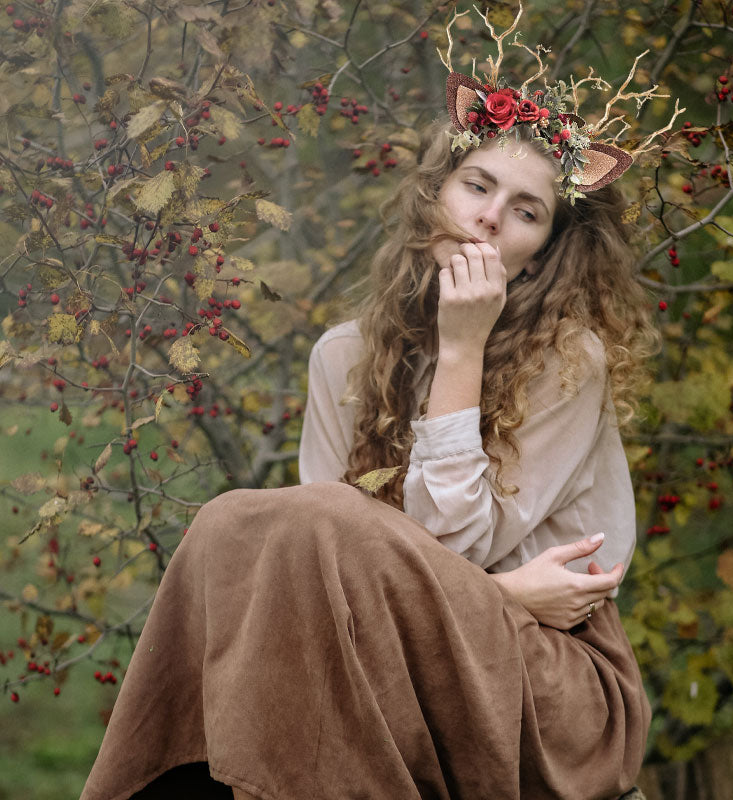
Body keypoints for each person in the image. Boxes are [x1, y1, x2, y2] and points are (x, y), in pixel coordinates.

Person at [80, 54, 664, 800]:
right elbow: (322, 579)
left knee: (322, 516)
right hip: (412, 652)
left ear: (544, 250)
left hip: (549, 682)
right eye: (476, 186)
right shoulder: (343, 357)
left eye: (526, 210)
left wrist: (462, 348)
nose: (489, 217)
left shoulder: (567, 361)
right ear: (434, 196)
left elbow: (445, 544)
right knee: (234, 524)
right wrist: (505, 594)